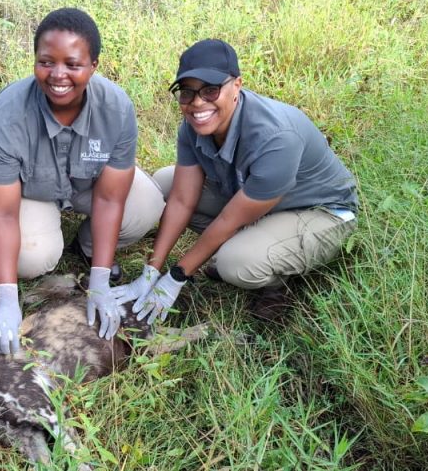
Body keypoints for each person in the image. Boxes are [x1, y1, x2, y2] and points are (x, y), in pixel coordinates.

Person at [114, 39, 359, 322]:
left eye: (210, 90)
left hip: (319, 212)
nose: (197, 103)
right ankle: (251, 244)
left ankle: (275, 283)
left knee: (236, 263)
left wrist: (177, 276)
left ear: (237, 86)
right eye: (187, 92)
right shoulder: (194, 124)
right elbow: (182, 198)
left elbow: (230, 219)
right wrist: (152, 271)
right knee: (166, 183)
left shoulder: (276, 137)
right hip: (253, 201)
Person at [0, 8, 165, 354]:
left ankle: (88, 248)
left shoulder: (117, 108)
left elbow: (110, 199)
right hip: (30, 192)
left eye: (73, 64)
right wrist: (6, 299)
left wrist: (99, 282)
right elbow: (2, 213)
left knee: (146, 207)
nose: (58, 75)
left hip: (86, 185)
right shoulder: (7, 113)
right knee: (33, 258)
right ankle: (45, 241)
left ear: (93, 65)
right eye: (46, 62)